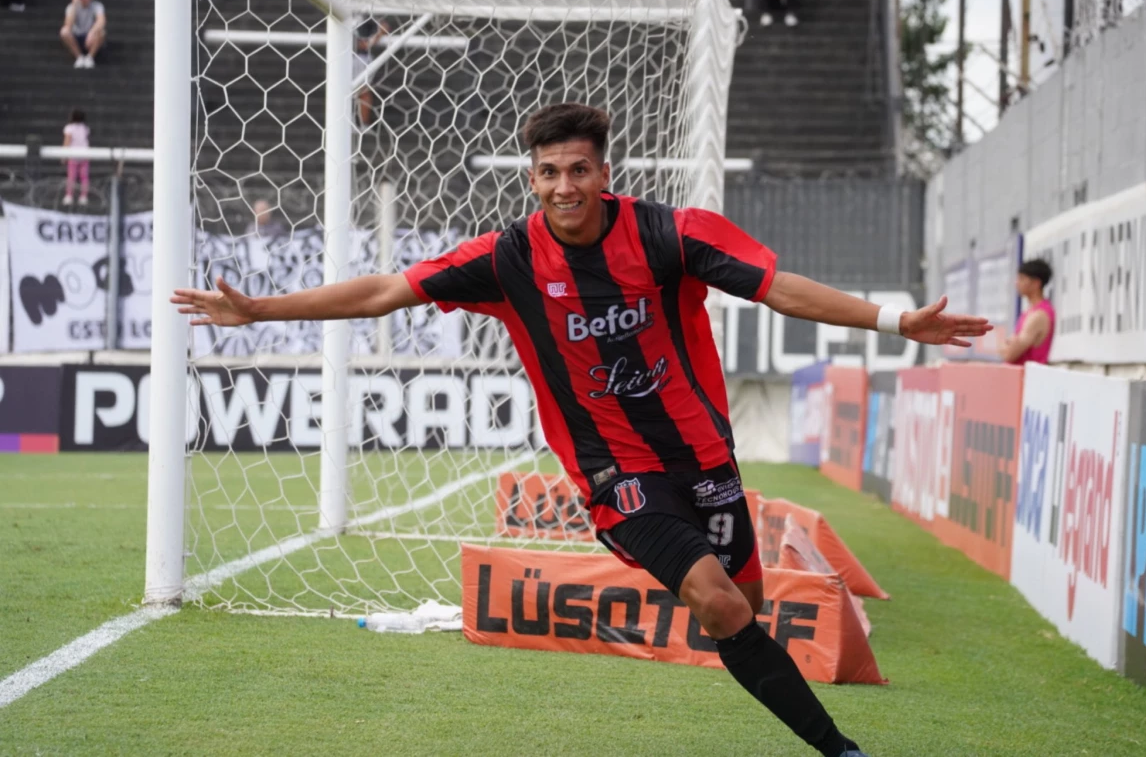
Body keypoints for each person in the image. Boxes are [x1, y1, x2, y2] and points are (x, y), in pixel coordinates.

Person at [173, 103, 991, 757]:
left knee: (743, 606)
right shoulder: (506, 258)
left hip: (704, 458)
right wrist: (258, 310)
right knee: (718, 605)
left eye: (578, 170)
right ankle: (839, 750)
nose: (563, 186)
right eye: (548, 172)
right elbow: (386, 290)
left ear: (605, 172)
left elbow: (779, 287)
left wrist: (894, 320)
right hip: (614, 475)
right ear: (531, 178)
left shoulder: (674, 233)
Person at [1003, 258, 1054, 365]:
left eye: (1021, 279)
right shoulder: (1029, 312)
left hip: (1027, 379)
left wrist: (1007, 345)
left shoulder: (1039, 315)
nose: (1017, 283)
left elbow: (1010, 354)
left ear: (1036, 283)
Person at [353, 17, 390, 125]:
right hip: (356, 59)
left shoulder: (362, 21)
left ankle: (363, 123)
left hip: (360, 59)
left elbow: (385, 27)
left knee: (363, 91)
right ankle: (361, 123)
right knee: (363, 92)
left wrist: (379, 33)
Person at [60, 0, 106, 69]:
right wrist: (74, 5)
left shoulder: (97, 6)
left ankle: (90, 57)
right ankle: (79, 57)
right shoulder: (71, 7)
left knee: (102, 32)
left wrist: (92, 32)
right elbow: (68, 26)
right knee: (64, 32)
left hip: (90, 38)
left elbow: (101, 21)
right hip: (76, 36)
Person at [62, 108, 90, 206]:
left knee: (71, 177)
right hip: (84, 154)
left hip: (73, 154)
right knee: (84, 177)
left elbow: (67, 142)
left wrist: (63, 155)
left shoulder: (69, 128)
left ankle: (69, 195)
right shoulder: (85, 128)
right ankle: (83, 196)